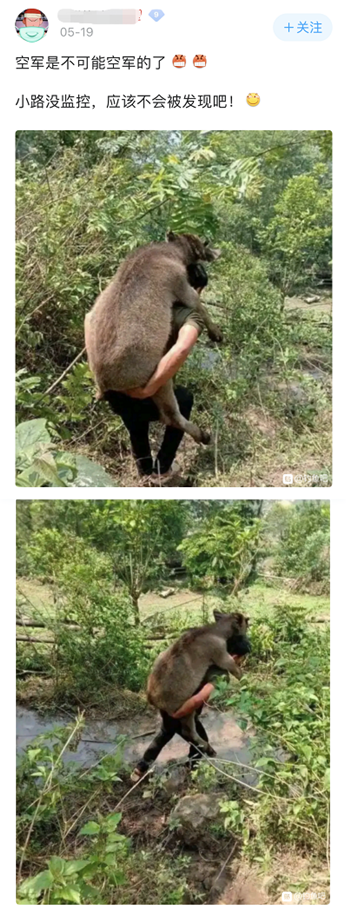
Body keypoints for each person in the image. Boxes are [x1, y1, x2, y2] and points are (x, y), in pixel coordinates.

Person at [104, 262, 209, 482]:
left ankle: (144, 473)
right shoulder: (190, 315)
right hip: (141, 391)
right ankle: (161, 470)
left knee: (135, 421)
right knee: (183, 401)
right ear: (194, 291)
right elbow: (181, 348)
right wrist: (149, 389)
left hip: (113, 392)